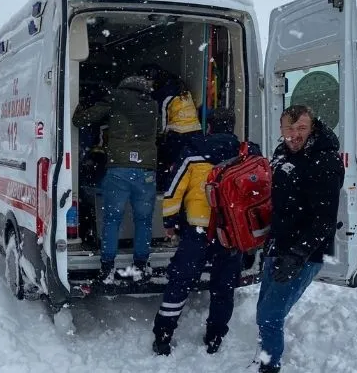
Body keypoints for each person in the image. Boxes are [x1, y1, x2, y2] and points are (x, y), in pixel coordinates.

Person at [152, 108, 256, 356]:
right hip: (231, 233)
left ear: (209, 127)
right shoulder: (246, 152)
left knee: (180, 281)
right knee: (224, 286)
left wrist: (170, 221)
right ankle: (215, 336)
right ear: (232, 127)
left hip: (198, 229)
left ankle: (164, 335)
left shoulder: (193, 150)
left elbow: (174, 189)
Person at [255, 105, 344, 372]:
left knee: (270, 316)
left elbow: (325, 220)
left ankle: (269, 366)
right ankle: (265, 357)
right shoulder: (282, 153)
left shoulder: (325, 161)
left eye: (301, 128)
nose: (294, 135)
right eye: (289, 129)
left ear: (312, 127)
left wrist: (297, 255)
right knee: (263, 312)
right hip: (278, 246)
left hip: (303, 254)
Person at [72, 73, 159, 283]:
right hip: (146, 170)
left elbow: (81, 120)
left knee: (112, 220)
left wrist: (78, 107)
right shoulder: (153, 104)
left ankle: (108, 268)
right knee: (144, 221)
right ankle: (140, 266)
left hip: (119, 169)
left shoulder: (117, 98)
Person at [140, 64, 202, 192]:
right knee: (183, 163)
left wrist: (158, 136)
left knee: (164, 160)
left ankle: (162, 188)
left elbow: (163, 119)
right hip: (195, 132)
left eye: (148, 80)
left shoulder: (165, 94)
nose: (147, 84)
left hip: (179, 133)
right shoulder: (179, 87)